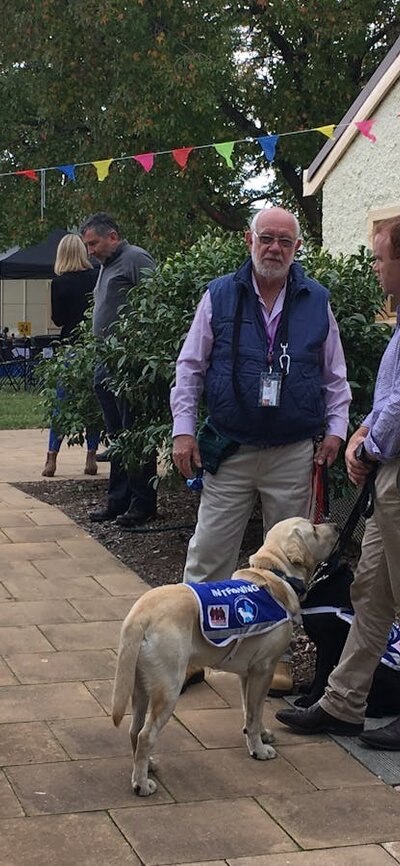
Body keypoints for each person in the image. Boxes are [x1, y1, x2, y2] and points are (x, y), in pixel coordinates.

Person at [171, 206, 351, 693]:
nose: (274, 248)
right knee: (209, 553)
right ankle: (192, 653)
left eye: (284, 242)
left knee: (288, 567)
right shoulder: (219, 295)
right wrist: (183, 431)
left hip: (293, 451)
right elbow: (190, 367)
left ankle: (277, 659)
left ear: (297, 249)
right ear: (249, 241)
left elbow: (335, 377)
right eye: (266, 238)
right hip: (231, 447)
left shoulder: (317, 300)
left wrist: (336, 430)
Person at [275, 214, 400, 745]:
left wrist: (365, 446)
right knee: (371, 592)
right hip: (389, 471)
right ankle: (343, 703)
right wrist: (364, 432)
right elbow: (389, 398)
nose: (374, 267)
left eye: (379, 257)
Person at [80, 212, 157, 527]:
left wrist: (139, 352)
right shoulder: (107, 265)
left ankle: (142, 504)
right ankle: (118, 501)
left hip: (129, 364)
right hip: (106, 362)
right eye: (87, 246)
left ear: (112, 236)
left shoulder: (135, 258)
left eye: (94, 243)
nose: (90, 251)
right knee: (118, 437)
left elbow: (155, 303)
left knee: (133, 434)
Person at [42, 234, 100, 478]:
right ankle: (91, 455)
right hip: (92, 344)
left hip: (68, 346)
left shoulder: (59, 283)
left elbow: (58, 319)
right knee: (92, 402)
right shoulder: (96, 276)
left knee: (62, 402)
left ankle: (52, 457)